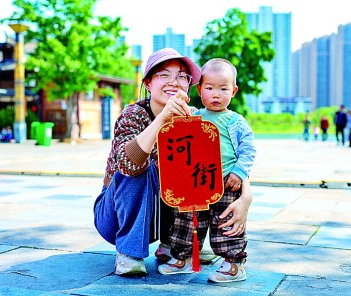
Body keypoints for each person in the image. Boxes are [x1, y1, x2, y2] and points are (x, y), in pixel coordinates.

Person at [93, 48, 253, 277]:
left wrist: (246, 195)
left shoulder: (194, 117)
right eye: (164, 75)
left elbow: (227, 154)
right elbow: (128, 165)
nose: (174, 82)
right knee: (144, 169)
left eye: (181, 76)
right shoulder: (133, 114)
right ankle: (128, 252)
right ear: (148, 83)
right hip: (116, 217)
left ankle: (178, 246)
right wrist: (162, 118)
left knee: (193, 172)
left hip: (159, 219)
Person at [157, 58, 256, 283]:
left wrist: (239, 173)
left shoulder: (236, 121)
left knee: (226, 222)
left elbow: (248, 150)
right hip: (195, 180)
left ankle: (233, 263)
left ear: (234, 91)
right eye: (209, 88)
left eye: (223, 89)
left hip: (225, 182)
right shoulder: (194, 116)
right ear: (199, 89)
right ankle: (182, 257)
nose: (216, 94)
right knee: (185, 220)